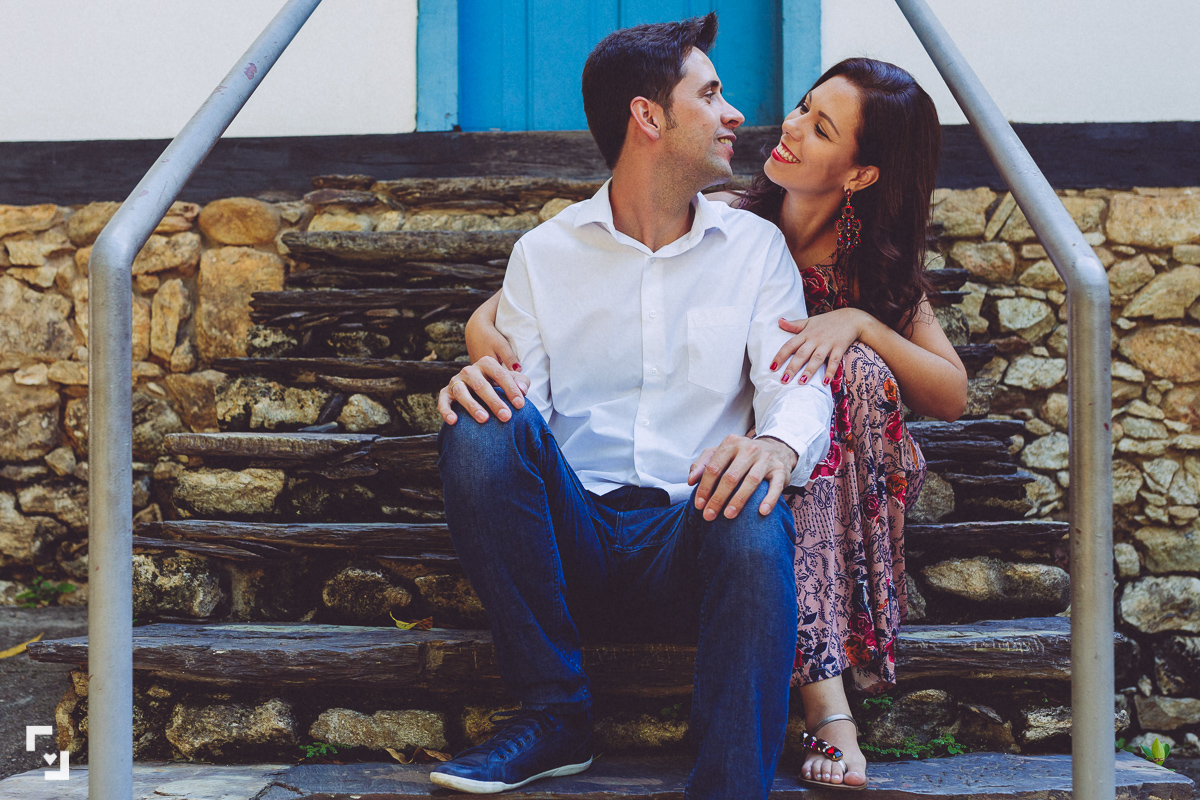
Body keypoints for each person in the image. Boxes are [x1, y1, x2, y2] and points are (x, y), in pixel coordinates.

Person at [463, 58, 968, 790]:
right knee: (495, 425)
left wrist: (856, 323)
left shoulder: (872, 269)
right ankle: (571, 712)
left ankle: (820, 701)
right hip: (646, 496)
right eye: (801, 107)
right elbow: (557, 287)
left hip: (797, 475)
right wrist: (485, 336)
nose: (785, 124)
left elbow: (950, 392)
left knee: (834, 386)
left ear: (859, 175)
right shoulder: (729, 219)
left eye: (820, 127)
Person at [430, 13, 834, 799]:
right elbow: (522, 417)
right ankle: (555, 716)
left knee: (755, 494)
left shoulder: (755, 252)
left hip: (691, 534)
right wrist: (474, 391)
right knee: (479, 418)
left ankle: (727, 783)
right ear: (648, 116)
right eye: (711, 94)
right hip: (573, 530)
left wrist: (779, 448)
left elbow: (797, 385)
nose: (735, 115)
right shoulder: (544, 256)